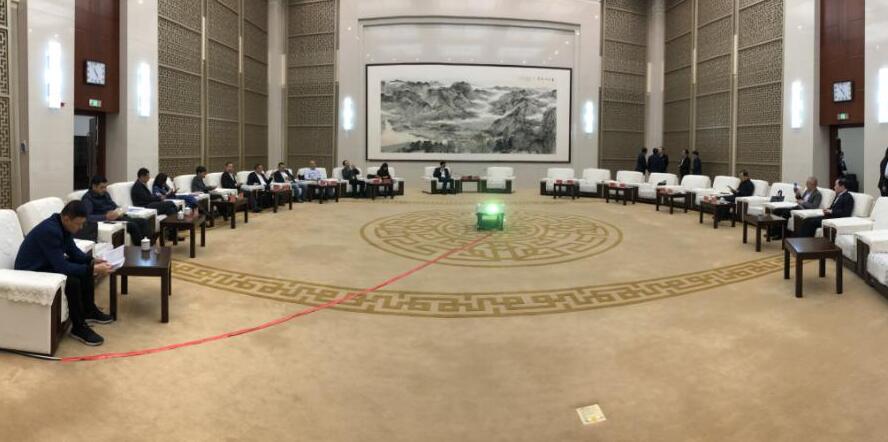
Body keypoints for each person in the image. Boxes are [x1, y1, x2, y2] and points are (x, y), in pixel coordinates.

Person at [15, 201, 114, 346]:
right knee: (73, 281)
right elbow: (62, 267)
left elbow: (73, 252)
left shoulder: (62, 225)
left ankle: (89, 310)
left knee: (85, 266)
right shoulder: (50, 231)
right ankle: (78, 327)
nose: (81, 228)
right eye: (78, 224)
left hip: (46, 262)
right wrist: (93, 269)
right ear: (67, 219)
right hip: (30, 270)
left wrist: (92, 261)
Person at [80, 175, 151, 246]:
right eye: (102, 187)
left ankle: (148, 244)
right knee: (133, 225)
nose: (104, 190)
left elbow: (113, 205)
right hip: (106, 221)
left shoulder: (105, 194)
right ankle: (141, 247)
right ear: (94, 186)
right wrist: (105, 216)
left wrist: (119, 210)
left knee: (143, 221)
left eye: (105, 187)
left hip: (117, 217)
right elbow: (87, 217)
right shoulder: (87, 199)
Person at [132, 168, 179, 241]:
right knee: (170, 203)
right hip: (145, 207)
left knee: (171, 210)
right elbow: (147, 198)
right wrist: (159, 198)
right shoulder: (137, 186)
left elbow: (149, 197)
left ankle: (173, 235)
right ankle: (179, 216)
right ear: (142, 176)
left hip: (150, 204)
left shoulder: (142, 184)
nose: (149, 178)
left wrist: (158, 198)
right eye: (147, 176)